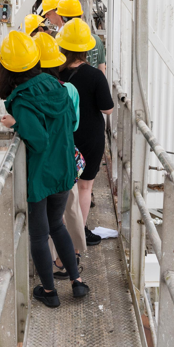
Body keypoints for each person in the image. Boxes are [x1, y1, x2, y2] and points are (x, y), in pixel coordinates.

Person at [0, 30, 89, 308]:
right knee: (58, 225)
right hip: (64, 170)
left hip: (39, 176)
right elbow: (71, 120)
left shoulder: (21, 99)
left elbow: (37, 139)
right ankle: (76, 281)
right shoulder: (56, 85)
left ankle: (49, 292)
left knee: (38, 234)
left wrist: (15, 124)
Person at [57, 18, 114, 247]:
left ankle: (59, 231)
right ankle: (78, 233)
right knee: (85, 186)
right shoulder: (95, 75)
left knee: (63, 187)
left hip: (62, 136)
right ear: (87, 49)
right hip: (89, 136)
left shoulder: (54, 74)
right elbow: (107, 108)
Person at [34, 31, 86, 277]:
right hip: (67, 157)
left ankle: (52, 268)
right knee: (70, 209)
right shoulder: (70, 90)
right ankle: (74, 256)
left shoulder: (28, 95)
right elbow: (73, 125)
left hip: (41, 166)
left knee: (43, 223)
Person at [57, 0, 106, 74]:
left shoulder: (59, 42)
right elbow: (102, 70)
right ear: (81, 16)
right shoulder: (96, 40)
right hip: (92, 84)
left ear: (61, 18)